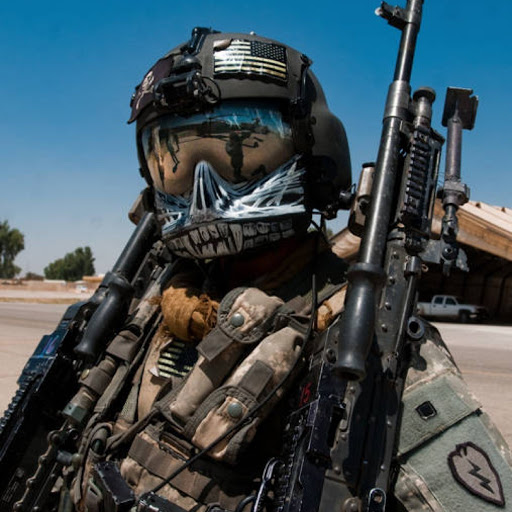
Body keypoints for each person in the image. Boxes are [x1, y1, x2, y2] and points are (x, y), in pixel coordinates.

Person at [69, 28, 512, 512]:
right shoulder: (153, 299)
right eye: (173, 162)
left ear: (314, 154)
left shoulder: (366, 346)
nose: (203, 194)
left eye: (241, 153)